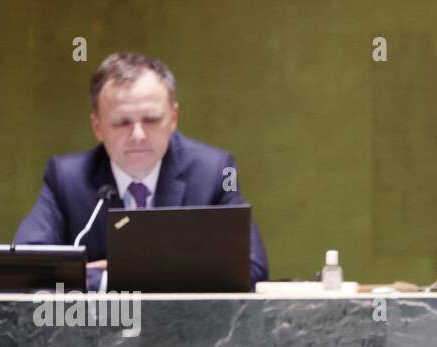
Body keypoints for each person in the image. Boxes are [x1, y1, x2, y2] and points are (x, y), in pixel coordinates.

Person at [14, 51, 268, 288]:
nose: (138, 135)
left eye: (151, 120)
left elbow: (252, 268)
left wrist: (122, 273)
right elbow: (24, 267)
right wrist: (112, 279)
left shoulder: (216, 172)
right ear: (98, 127)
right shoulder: (67, 179)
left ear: (173, 118)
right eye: (122, 123)